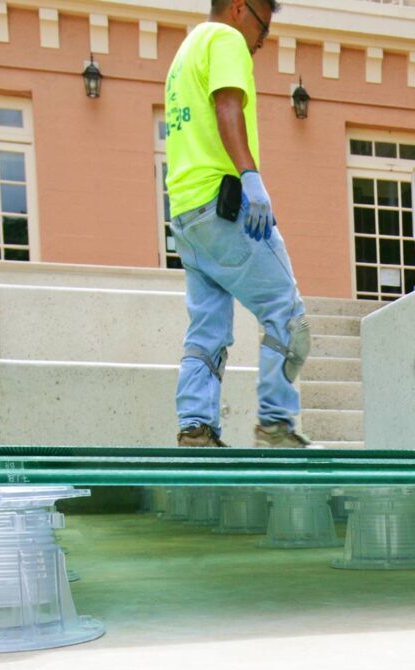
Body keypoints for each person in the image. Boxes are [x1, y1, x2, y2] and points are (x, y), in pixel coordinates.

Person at [164, 0, 313, 449]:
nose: (262, 40)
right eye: (262, 26)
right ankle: (275, 426)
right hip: (224, 207)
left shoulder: (186, 51)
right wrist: (251, 176)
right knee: (288, 315)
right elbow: (227, 107)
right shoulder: (227, 40)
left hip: (186, 215)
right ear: (237, 8)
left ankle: (196, 428)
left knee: (206, 329)